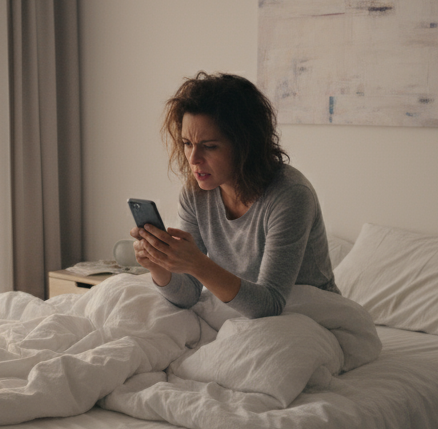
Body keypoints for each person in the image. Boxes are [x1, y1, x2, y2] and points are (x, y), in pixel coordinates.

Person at [131, 72, 338, 318]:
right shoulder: (195, 193)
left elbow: (270, 304)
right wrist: (159, 267)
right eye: (187, 143)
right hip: (240, 309)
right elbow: (188, 296)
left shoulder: (290, 196)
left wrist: (198, 263)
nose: (193, 159)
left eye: (209, 146)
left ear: (245, 146)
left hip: (308, 314)